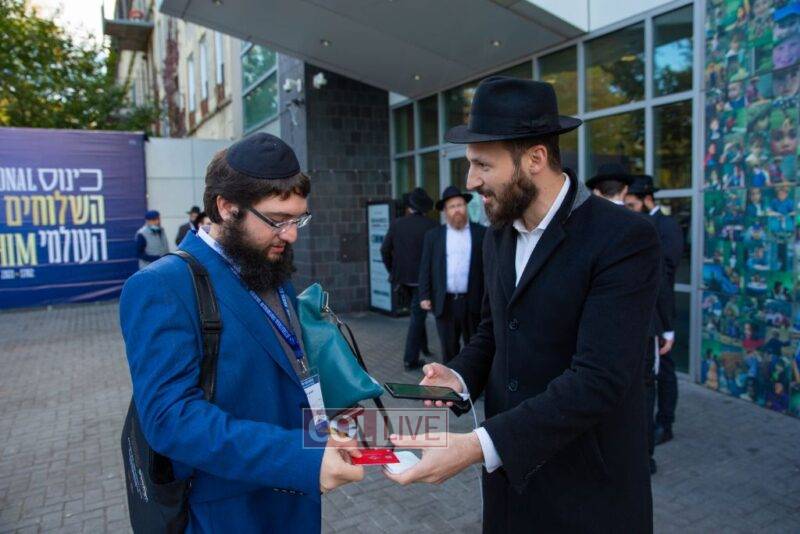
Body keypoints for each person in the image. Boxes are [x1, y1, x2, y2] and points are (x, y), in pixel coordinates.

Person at [385, 77, 661, 533]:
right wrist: (459, 375)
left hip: (588, 495)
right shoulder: (498, 235)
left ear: (535, 158)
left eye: (482, 164)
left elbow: (599, 379)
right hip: (511, 492)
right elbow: (494, 330)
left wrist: (476, 446)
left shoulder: (624, 238)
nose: (470, 181)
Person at [119, 133, 363, 532]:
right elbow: (170, 419)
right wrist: (298, 458)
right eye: (278, 220)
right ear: (226, 207)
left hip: (296, 501)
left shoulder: (266, 264)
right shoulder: (161, 286)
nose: (292, 234)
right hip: (227, 514)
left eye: (299, 218)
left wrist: (329, 427)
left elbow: (284, 371)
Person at [625, 176, 685, 447]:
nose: (629, 209)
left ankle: (665, 422)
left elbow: (667, 269)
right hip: (646, 309)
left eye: (632, 204)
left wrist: (666, 322)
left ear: (647, 200)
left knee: (665, 369)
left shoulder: (667, 225)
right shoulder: (637, 223)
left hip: (661, 309)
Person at [418, 186, 486, 363]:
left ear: (466, 207)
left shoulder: (481, 233)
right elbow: (425, 267)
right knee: (449, 350)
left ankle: (475, 380)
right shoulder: (433, 236)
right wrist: (424, 295)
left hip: (473, 301)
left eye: (460, 205)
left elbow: (489, 269)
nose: (457, 210)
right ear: (445, 211)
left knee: (476, 349)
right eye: (452, 206)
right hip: (445, 302)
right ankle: (452, 380)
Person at [381, 187, 437, 370]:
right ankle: (410, 359)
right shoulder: (432, 225)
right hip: (423, 280)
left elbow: (384, 250)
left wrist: (393, 270)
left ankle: (424, 348)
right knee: (417, 316)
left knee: (417, 314)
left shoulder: (397, 224)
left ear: (410, 207)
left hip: (403, 279)